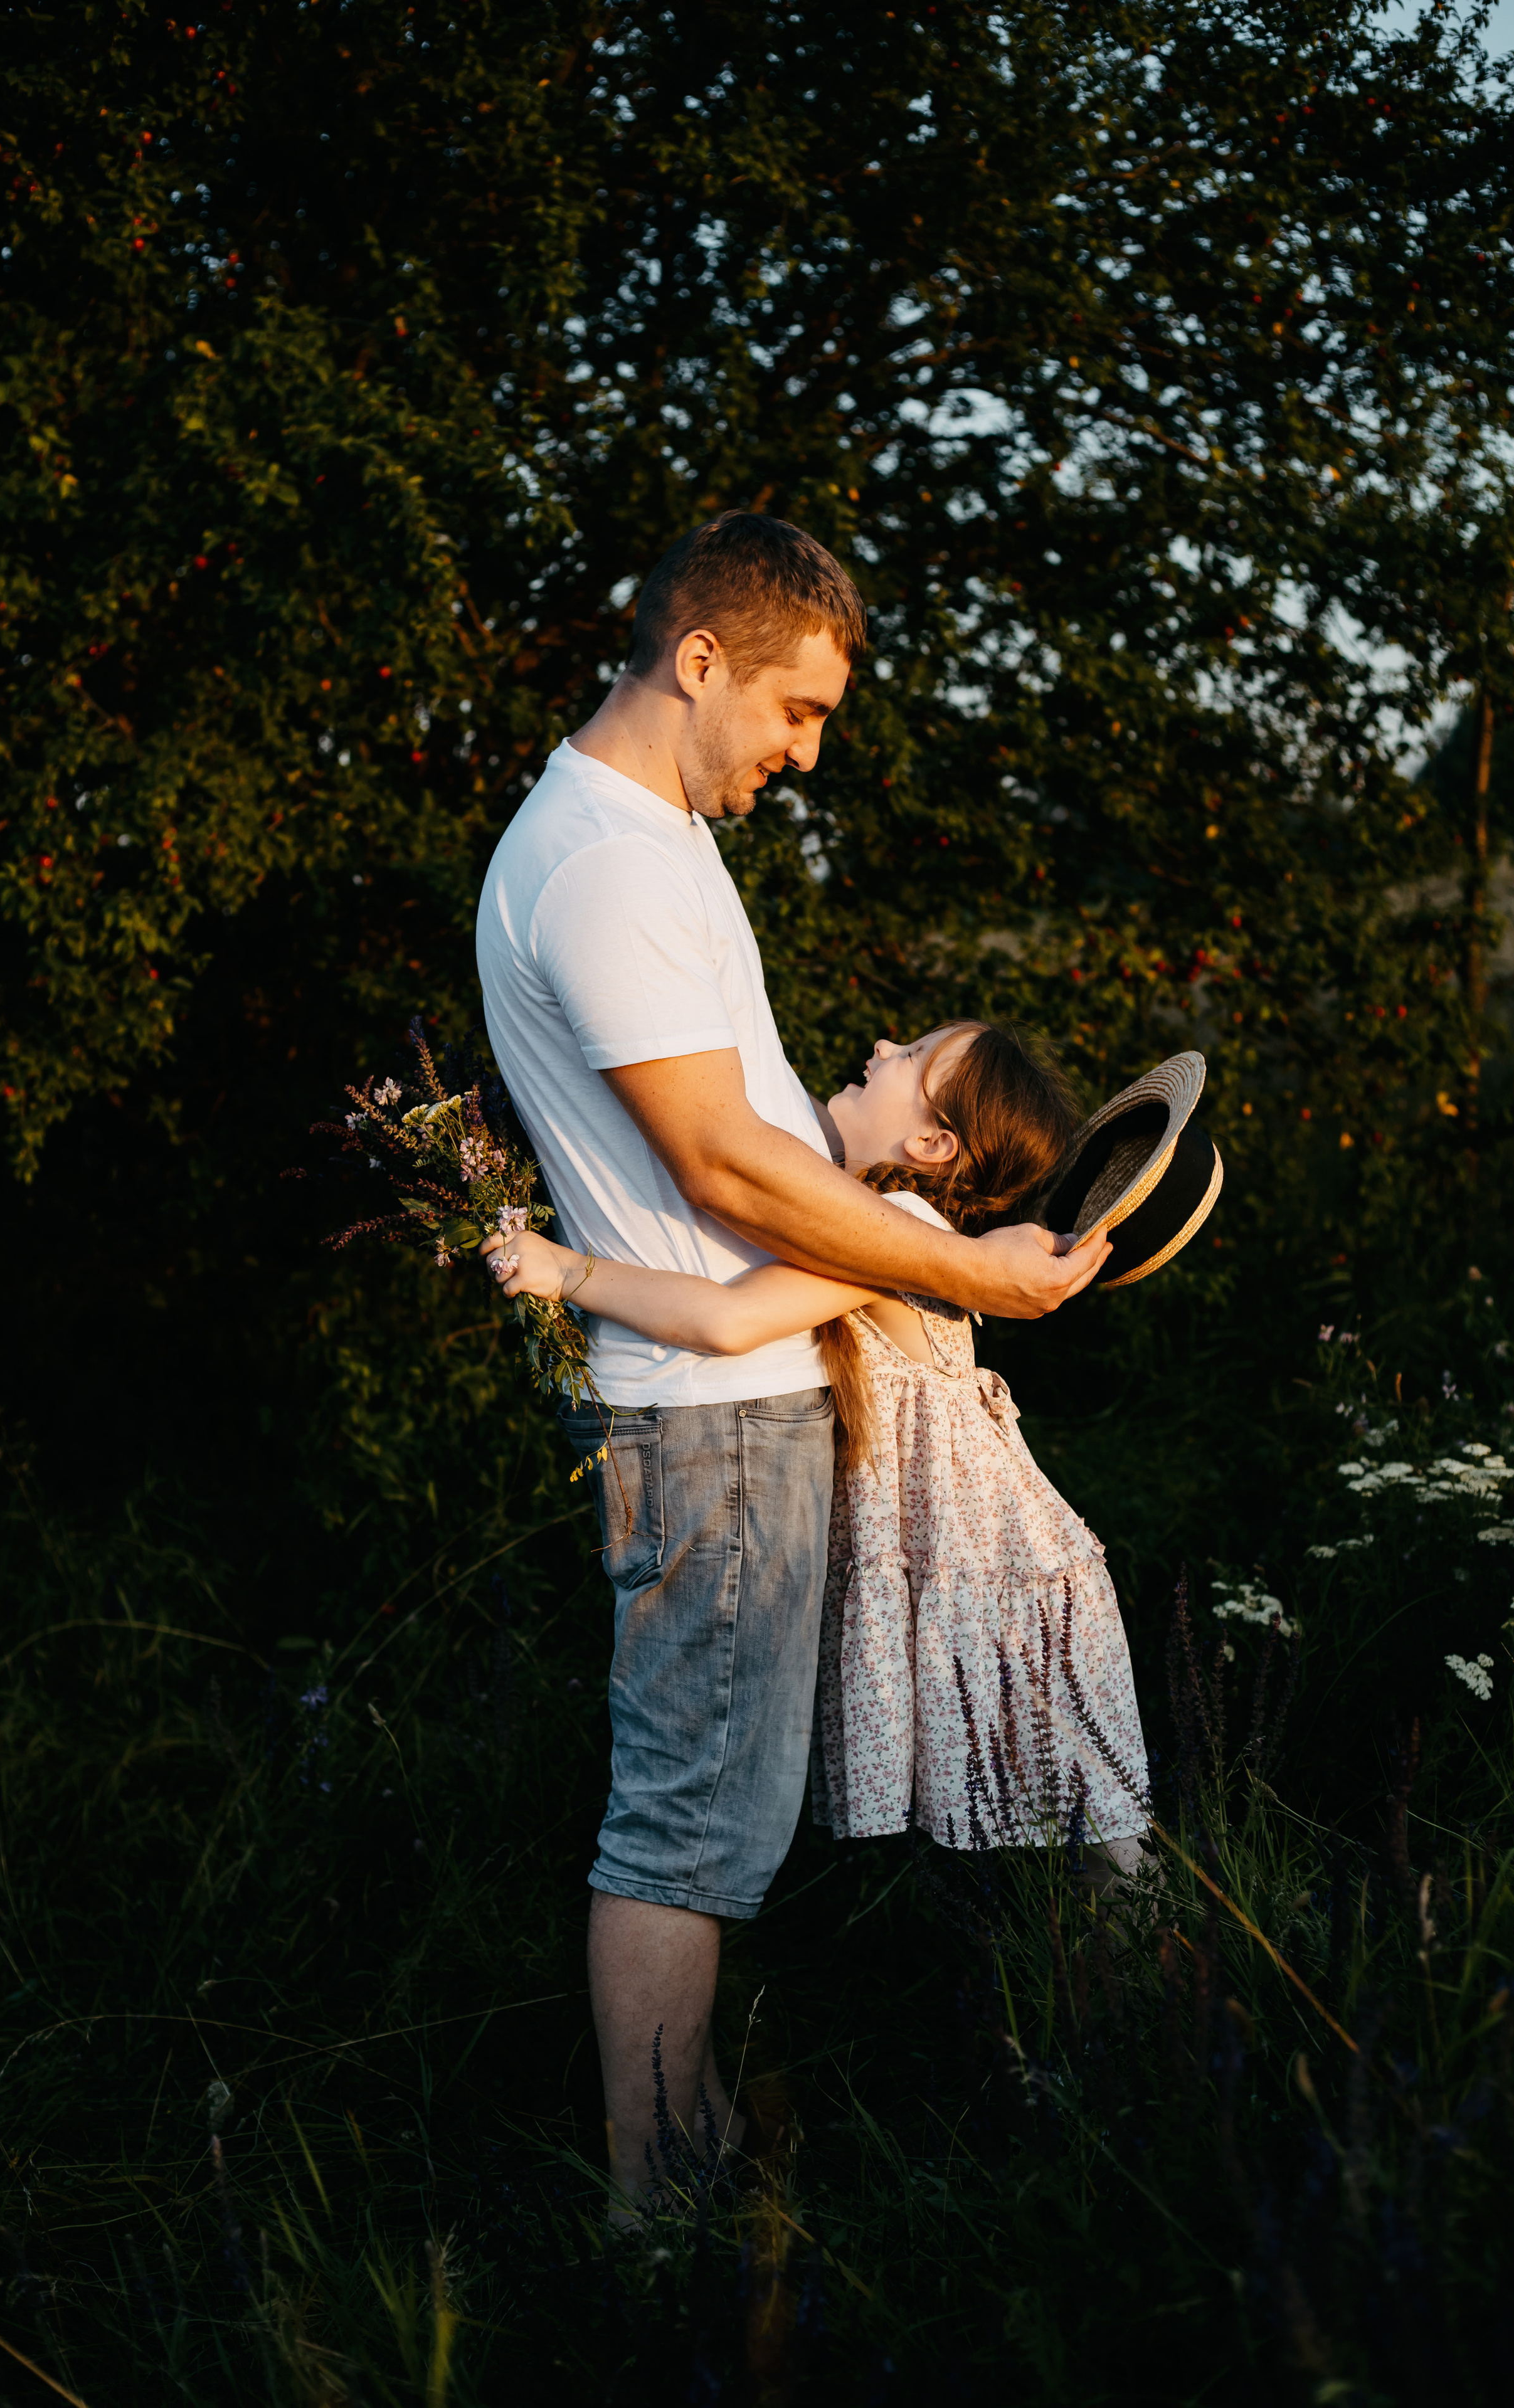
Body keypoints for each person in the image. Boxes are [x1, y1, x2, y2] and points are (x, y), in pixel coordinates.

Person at [475, 512, 1109, 2215]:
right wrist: (967, 1268)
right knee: (686, 1837)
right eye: (797, 710)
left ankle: (683, 2174)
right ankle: (658, 2220)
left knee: (709, 1830)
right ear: (699, 662)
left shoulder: (657, 841)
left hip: (731, 1414)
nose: (807, 753)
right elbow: (724, 1168)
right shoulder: (604, 867)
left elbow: (764, 1149)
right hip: (711, 1427)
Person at [485, 1020, 1151, 1893]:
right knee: (1068, 1868)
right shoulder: (883, 1220)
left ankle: (1197, 1972)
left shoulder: (901, 1227)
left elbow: (727, 1319)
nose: (880, 1048)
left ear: (933, 1144)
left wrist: (570, 1272)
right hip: (977, 1569)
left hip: (992, 1578)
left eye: (912, 1058)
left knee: (1104, 1873)